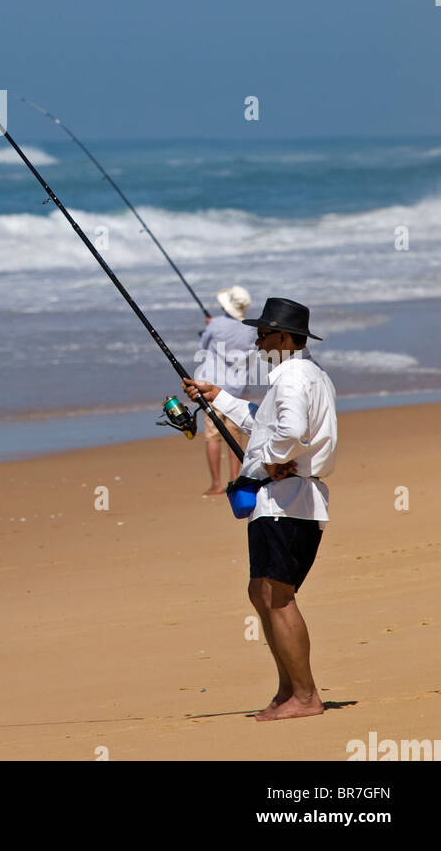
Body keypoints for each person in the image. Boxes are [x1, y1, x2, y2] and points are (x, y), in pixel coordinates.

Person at [182, 296, 337, 722]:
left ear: (284, 338)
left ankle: (304, 696)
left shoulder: (290, 380)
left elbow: (288, 431)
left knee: (278, 596)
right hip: (285, 501)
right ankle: (289, 688)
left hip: (286, 501)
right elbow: (264, 421)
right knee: (262, 591)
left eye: (263, 333)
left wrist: (272, 458)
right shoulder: (304, 375)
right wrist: (219, 397)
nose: (257, 340)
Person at [196, 285, 257, 495]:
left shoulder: (216, 324)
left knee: (213, 436)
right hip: (237, 389)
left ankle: (215, 483)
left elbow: (203, 345)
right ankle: (235, 478)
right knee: (236, 435)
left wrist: (209, 327)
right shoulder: (250, 328)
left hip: (210, 387)